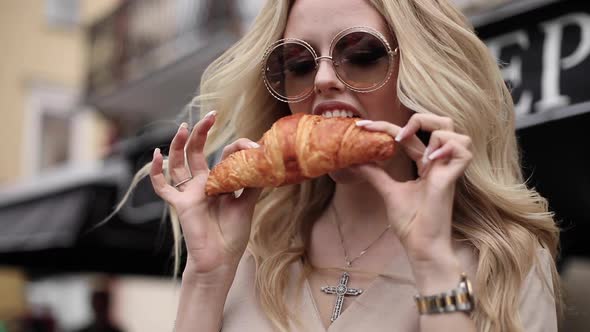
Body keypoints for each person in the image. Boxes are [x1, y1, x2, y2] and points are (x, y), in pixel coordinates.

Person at [144, 0, 561, 331]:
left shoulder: (506, 258)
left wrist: (434, 267)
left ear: (421, 71)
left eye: (362, 54)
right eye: (299, 64)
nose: (324, 79)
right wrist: (207, 276)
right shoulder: (252, 245)